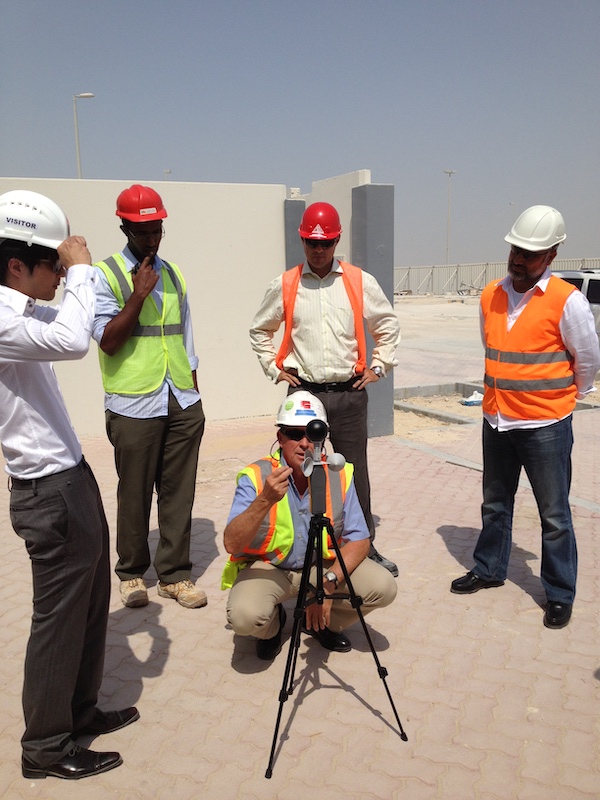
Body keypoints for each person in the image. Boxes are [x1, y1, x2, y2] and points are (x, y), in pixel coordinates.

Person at [0, 190, 139, 780]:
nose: (60, 275)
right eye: (50, 264)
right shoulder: (2, 316)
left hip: (69, 479)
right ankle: (46, 748)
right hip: (46, 491)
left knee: (88, 605)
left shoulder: (23, 308)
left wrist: (73, 273)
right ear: (15, 266)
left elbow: (74, 321)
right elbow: (77, 340)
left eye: (62, 265)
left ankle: (79, 715)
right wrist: (81, 265)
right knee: (58, 621)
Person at [451, 206, 600, 629]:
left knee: (554, 516)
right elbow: (493, 348)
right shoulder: (489, 296)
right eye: (516, 250)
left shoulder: (567, 302)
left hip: (545, 427)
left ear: (551, 256)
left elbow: (588, 360)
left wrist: (568, 397)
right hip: (497, 420)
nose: (519, 259)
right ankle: (489, 568)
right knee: (495, 504)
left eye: (530, 254)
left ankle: (559, 592)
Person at [249, 201, 401, 576]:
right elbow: (260, 329)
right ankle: (301, 545)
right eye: (312, 243)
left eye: (326, 243)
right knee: (302, 470)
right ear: (302, 240)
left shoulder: (358, 281)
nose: (319, 250)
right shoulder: (286, 284)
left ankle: (362, 548)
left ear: (337, 241)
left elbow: (387, 325)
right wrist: (274, 368)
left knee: (353, 472)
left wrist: (379, 366)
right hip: (304, 396)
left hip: (349, 393)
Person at [92, 185, 206, 609]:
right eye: (143, 230)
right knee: (135, 491)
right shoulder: (105, 276)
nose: (152, 237)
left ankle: (174, 575)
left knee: (179, 490)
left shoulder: (173, 273)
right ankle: (132, 574)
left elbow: (185, 334)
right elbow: (107, 341)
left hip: (179, 398)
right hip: (133, 401)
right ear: (124, 227)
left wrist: (193, 391)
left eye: (157, 227)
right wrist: (138, 294)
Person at [222, 391, 397, 660]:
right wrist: (265, 500)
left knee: (383, 587)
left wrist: (328, 586)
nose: (304, 443)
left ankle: (319, 622)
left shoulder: (337, 474)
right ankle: (272, 628)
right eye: (294, 433)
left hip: (320, 566)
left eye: (313, 434)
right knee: (246, 616)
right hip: (271, 568)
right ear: (280, 437)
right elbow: (231, 543)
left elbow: (360, 539)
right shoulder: (256, 477)